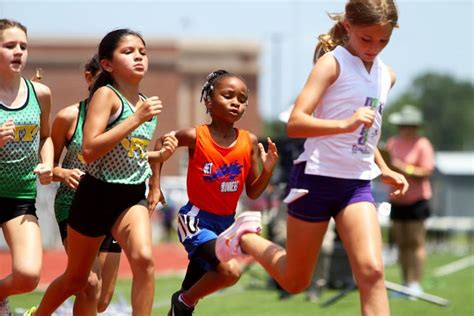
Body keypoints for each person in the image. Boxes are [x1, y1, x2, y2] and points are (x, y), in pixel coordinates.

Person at [216, 1, 409, 315]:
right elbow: (295, 123)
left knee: (372, 272)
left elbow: (366, 131)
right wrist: (345, 124)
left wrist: (383, 168)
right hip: (315, 180)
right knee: (295, 281)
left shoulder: (387, 75)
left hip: (356, 185)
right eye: (366, 39)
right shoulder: (331, 65)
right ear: (348, 26)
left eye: (383, 41)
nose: (374, 48)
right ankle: (245, 237)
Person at [27, 28, 176, 316]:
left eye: (143, 52)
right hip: (95, 195)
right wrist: (135, 119)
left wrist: (157, 161)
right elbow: (90, 149)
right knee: (79, 280)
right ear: (107, 64)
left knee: (144, 260)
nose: (138, 57)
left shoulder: (145, 103)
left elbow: (131, 155)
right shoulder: (106, 96)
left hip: (131, 196)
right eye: (129, 52)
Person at [165, 70, 278, 315]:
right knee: (229, 272)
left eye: (242, 98)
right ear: (208, 100)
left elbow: (253, 191)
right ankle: (183, 301)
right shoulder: (195, 136)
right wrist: (154, 187)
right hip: (196, 220)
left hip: (226, 225)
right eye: (228, 96)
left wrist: (267, 170)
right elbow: (163, 142)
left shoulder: (248, 141)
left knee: (191, 290)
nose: (236, 102)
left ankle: (183, 304)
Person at [50, 55, 122, 315]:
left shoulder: (125, 117)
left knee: (100, 299)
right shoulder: (69, 117)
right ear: (89, 78)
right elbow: (47, 166)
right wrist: (61, 172)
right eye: (101, 81)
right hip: (75, 204)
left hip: (114, 206)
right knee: (89, 283)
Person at [0, 19, 53, 315]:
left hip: (20, 197)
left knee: (28, 276)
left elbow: (45, 136)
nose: (18, 51)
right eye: (9, 46)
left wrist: (46, 162)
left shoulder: (40, 94)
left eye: (23, 46)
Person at [385, 104, 434, 296]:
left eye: (407, 125)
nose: (403, 129)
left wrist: (404, 168)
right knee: (401, 243)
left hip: (417, 200)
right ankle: (405, 283)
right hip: (397, 200)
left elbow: (426, 171)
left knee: (415, 243)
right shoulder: (392, 143)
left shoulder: (423, 144)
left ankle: (416, 283)